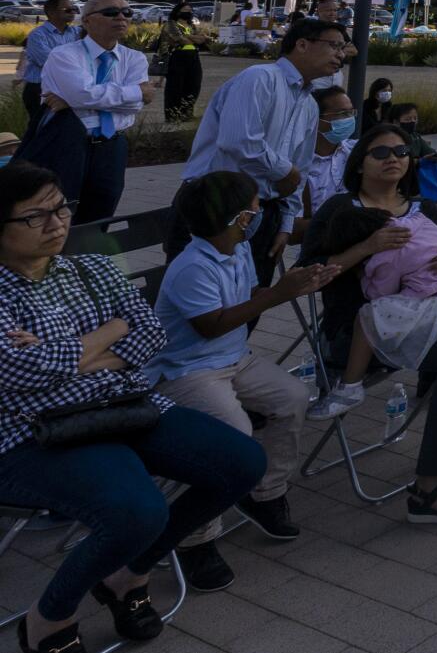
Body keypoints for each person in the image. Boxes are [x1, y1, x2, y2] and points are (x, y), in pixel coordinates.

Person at [0, 160, 266, 652]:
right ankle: (48, 620)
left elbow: (150, 333)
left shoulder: (93, 266)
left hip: (124, 405)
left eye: (61, 208)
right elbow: (17, 371)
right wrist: (106, 335)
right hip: (31, 432)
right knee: (137, 510)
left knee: (243, 462)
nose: (57, 223)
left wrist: (67, 351)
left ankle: (129, 573)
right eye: (36, 216)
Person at [299, 125, 437, 526]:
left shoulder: (421, 206)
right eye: (380, 152)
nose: (393, 158)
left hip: (435, 308)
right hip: (371, 328)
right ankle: (431, 487)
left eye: (401, 150)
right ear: (359, 163)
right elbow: (306, 275)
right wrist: (367, 248)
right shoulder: (340, 209)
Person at [148, 170, 336, 591]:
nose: (257, 210)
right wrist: (278, 293)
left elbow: (249, 301)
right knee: (233, 433)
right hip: (186, 369)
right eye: (253, 206)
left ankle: (263, 492)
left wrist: (302, 284)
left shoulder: (237, 249)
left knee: (292, 396)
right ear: (240, 218)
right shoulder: (191, 267)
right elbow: (209, 326)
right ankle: (194, 538)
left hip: (234, 359)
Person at [179, 17, 347, 285]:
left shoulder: (309, 104)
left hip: (264, 211)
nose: (341, 54)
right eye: (335, 45)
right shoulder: (260, 78)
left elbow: (300, 169)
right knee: (202, 301)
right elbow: (238, 141)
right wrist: (285, 171)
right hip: (213, 205)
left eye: (343, 48)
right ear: (302, 45)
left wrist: (286, 222)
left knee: (251, 299)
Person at [32, 0, 156, 223]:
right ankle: (55, 259)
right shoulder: (65, 55)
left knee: (101, 216)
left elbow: (133, 107)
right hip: (67, 143)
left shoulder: (134, 59)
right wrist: (137, 92)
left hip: (112, 146)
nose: (121, 17)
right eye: (110, 12)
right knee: (58, 213)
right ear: (87, 21)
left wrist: (74, 101)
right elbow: (84, 94)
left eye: (127, 13)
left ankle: (89, 259)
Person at [16, 0, 79, 125]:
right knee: (41, 129)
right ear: (51, 13)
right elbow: (50, 63)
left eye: (74, 9)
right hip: (40, 89)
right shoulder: (38, 35)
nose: (73, 12)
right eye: (67, 10)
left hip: (66, 88)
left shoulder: (76, 32)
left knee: (62, 130)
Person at [302, 85, 357, 220]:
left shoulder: (356, 152)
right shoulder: (298, 163)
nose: (350, 119)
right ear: (317, 119)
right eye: (343, 114)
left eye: (351, 112)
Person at [157, 2, 207, 124]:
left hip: (193, 57)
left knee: (194, 85)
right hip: (177, 57)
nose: (188, 12)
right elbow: (181, 40)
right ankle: (172, 115)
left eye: (190, 10)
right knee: (175, 87)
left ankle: (186, 112)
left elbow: (201, 39)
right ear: (178, 11)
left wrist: (189, 37)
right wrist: (192, 38)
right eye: (185, 10)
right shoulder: (171, 25)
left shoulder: (192, 25)